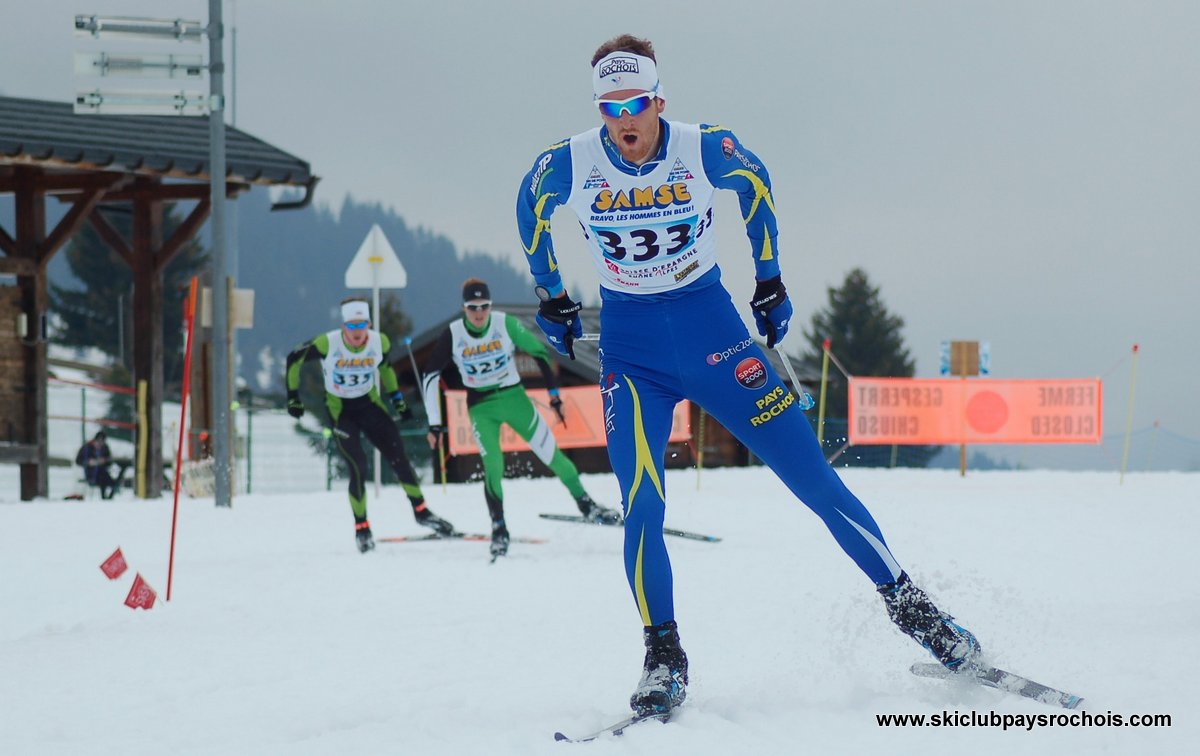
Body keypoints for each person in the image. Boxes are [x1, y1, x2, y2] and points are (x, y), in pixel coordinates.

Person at [516, 34, 981, 717]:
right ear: (599, 110)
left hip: (716, 339)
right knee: (642, 503)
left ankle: (919, 614)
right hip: (633, 356)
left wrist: (769, 280)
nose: (626, 119)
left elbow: (756, 187)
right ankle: (663, 654)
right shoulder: (570, 162)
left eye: (638, 102)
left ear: (659, 101)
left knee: (815, 482)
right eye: (611, 106)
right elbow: (530, 209)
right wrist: (550, 292)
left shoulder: (704, 146)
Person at [422, 278, 621, 560]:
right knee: (493, 466)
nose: (479, 314)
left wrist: (554, 395)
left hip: (514, 399)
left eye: (484, 306)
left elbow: (540, 352)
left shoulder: (504, 323)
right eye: (472, 307)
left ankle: (587, 505)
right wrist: (433, 422)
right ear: (464, 308)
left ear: (490, 305)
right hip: (481, 407)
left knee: (552, 454)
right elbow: (430, 375)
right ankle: (499, 528)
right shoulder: (453, 334)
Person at [285, 297, 456, 552]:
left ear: (368, 324)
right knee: (358, 466)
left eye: (361, 325)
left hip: (369, 405)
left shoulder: (379, 341)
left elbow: (385, 368)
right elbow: (293, 358)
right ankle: (362, 528)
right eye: (351, 326)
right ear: (344, 327)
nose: (357, 332)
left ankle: (422, 512)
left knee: (399, 457)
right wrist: (293, 397)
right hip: (341, 411)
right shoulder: (328, 343)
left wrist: (397, 399)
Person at [76, 430, 117, 499]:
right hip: (91, 474)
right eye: (99, 441)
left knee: (114, 483)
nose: (100, 444)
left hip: (103, 472)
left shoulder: (105, 448)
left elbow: (109, 461)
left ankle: (108, 499)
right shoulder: (87, 447)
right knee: (103, 479)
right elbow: (78, 461)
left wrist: (104, 461)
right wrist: (88, 462)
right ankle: (104, 499)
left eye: (102, 442)